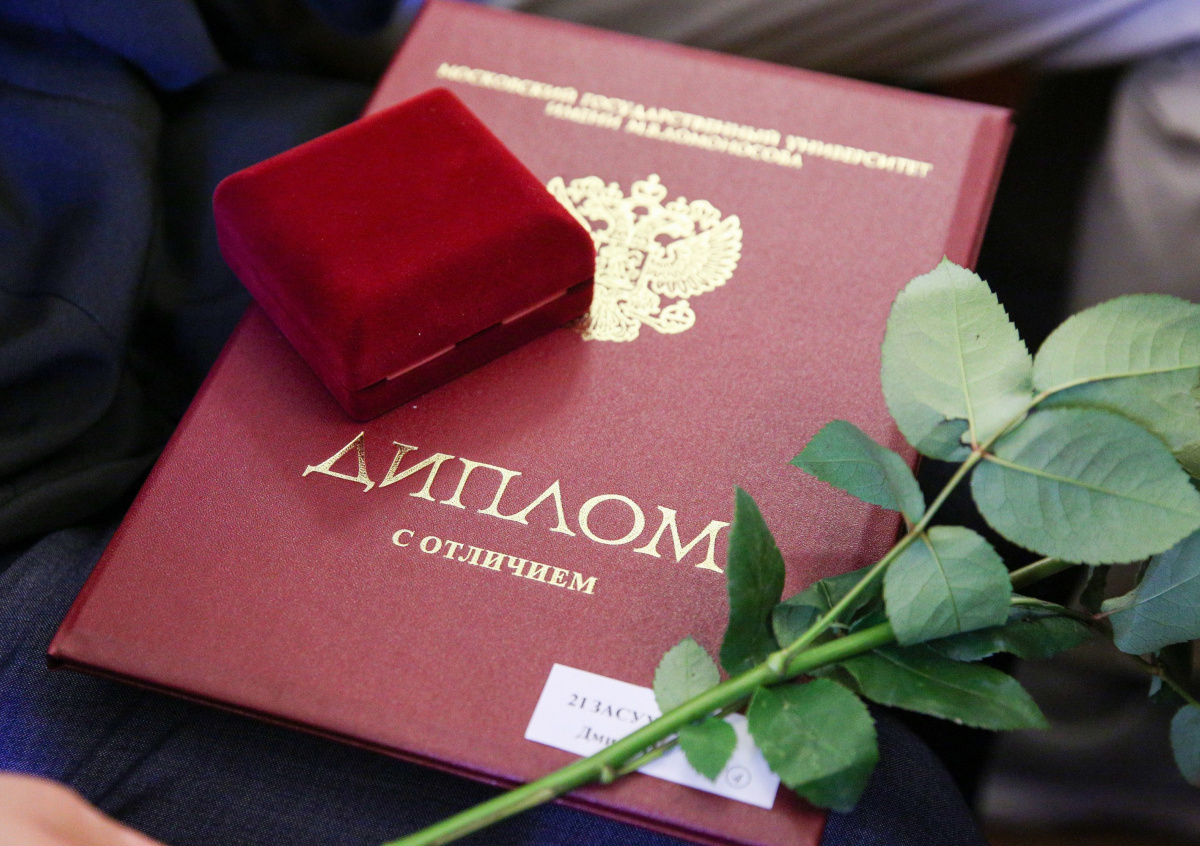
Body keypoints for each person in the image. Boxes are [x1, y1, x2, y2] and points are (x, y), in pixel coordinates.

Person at [3, 1, 1198, 844]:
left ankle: (1078, 732)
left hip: (215, 103)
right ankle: (1073, 746)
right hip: (109, 379)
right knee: (853, 804)